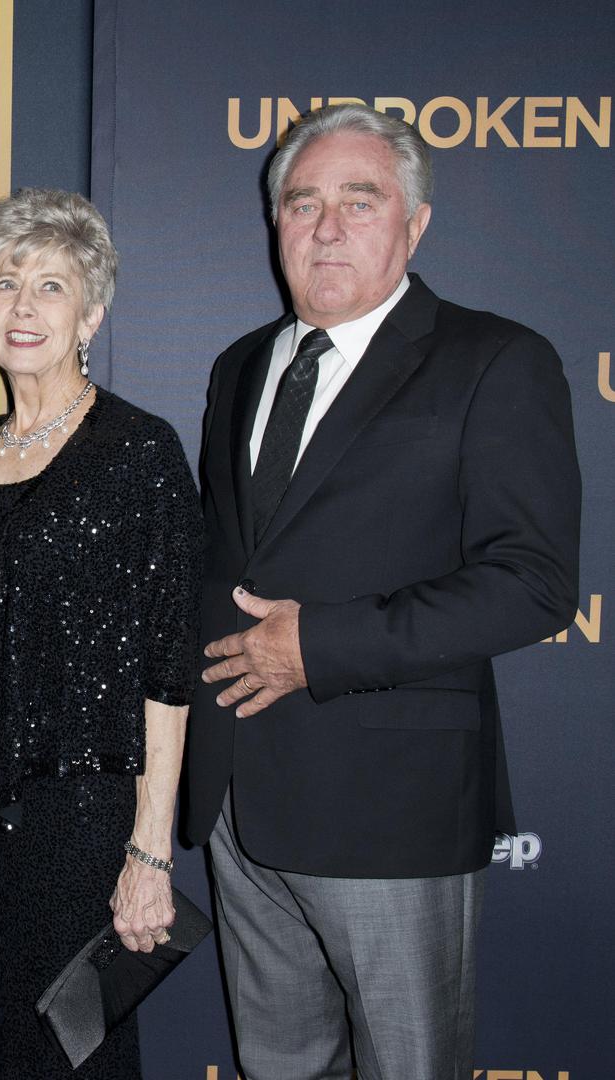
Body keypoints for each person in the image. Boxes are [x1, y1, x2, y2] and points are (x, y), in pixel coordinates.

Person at [186, 103, 581, 1080]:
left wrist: (317, 647)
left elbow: (531, 583)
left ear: (414, 223)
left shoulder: (494, 360)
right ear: (273, 221)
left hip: (390, 809)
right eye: (301, 203)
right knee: (277, 1066)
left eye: (358, 202)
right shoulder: (239, 366)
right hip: (238, 802)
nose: (324, 228)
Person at [0, 188, 202, 1078]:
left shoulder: (138, 451)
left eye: (51, 286)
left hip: (85, 825)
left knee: (69, 1057)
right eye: (4, 282)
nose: (22, 305)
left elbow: (168, 666)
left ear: (90, 316)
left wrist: (148, 851)